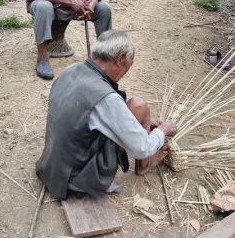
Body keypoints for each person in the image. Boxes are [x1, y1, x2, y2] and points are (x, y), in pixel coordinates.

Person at [36, 30, 177, 199]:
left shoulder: (72, 70)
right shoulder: (106, 98)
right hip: (77, 178)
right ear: (120, 59)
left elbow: (89, 114)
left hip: (52, 167)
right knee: (139, 106)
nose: (125, 73)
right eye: (128, 66)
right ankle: (144, 164)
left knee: (135, 110)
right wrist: (163, 130)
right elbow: (142, 148)